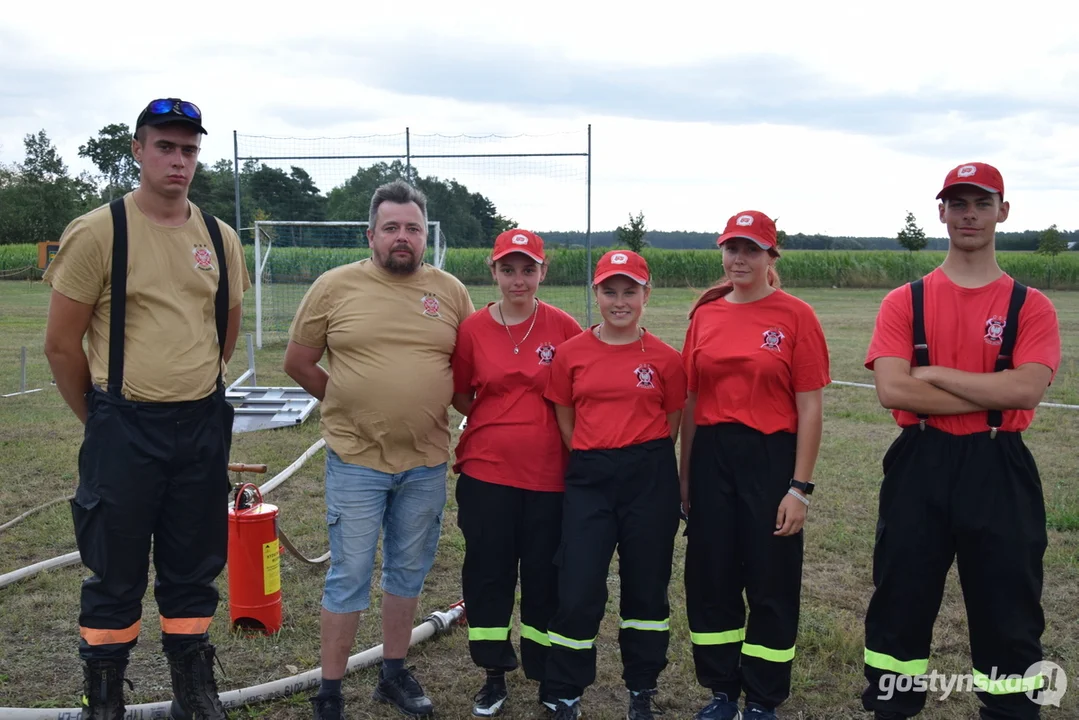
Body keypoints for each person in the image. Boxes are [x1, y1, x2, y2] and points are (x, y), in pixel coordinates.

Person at [42, 98, 250, 720]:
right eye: (165, 146)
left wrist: (194, 390)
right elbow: (60, 344)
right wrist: (101, 417)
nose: (178, 160)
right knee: (115, 566)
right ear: (138, 150)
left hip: (201, 424)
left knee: (194, 563)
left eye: (189, 149)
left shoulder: (219, 237)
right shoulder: (100, 231)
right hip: (123, 425)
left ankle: (193, 687)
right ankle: (103, 694)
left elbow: (226, 330)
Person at [861, 163, 1061, 720]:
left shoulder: (1031, 305)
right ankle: (891, 709)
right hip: (920, 461)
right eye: (957, 203)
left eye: (981, 202)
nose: (968, 213)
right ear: (941, 211)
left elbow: (1027, 389)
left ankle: (1010, 710)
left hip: (999, 465)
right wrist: (992, 393)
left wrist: (934, 375)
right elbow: (891, 390)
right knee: (899, 603)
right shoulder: (905, 300)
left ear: (1003, 211)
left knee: (1008, 610)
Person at [283, 179, 475, 720]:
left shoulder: (450, 292)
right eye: (391, 227)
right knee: (348, 574)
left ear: (425, 235)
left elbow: (463, 376)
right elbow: (298, 362)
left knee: (407, 571)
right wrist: (343, 401)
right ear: (371, 234)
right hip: (356, 461)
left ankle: (393, 673)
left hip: (426, 462)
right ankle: (330, 690)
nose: (402, 237)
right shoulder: (334, 287)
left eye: (412, 228)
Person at [680, 210, 830, 720]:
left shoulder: (796, 315)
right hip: (713, 456)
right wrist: (685, 476)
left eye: (751, 249)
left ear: (771, 256)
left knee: (771, 578)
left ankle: (763, 696)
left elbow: (810, 407)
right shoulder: (706, 314)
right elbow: (692, 400)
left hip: (771, 457)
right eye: (731, 248)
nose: (739, 258)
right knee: (711, 575)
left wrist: (800, 488)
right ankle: (722, 688)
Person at [542, 250, 687, 720]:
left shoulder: (667, 359)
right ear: (596, 293)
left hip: (649, 476)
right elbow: (565, 416)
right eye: (610, 291)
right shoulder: (571, 354)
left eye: (630, 291)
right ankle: (566, 689)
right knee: (579, 587)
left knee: (646, 588)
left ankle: (641, 687)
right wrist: (595, 451)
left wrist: (633, 454)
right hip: (590, 477)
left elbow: (671, 423)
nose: (619, 301)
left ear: (646, 294)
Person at [450, 228, 582, 717]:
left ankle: (547, 675)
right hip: (487, 473)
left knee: (545, 578)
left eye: (529, 269)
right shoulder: (473, 329)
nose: (518, 279)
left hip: (550, 475)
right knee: (488, 573)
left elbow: (576, 394)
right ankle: (492, 673)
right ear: (494, 271)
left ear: (543, 272)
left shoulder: (565, 327)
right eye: (509, 269)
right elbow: (462, 394)